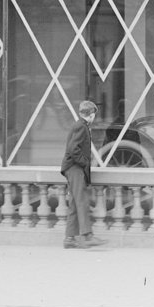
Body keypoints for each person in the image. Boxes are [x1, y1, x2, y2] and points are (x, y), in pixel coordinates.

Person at [61, 99, 107, 250]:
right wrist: (84, 163)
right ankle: (87, 236)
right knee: (82, 201)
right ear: (92, 114)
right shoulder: (81, 127)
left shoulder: (79, 125)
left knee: (75, 203)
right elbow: (73, 150)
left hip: (72, 168)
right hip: (75, 169)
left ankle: (69, 239)